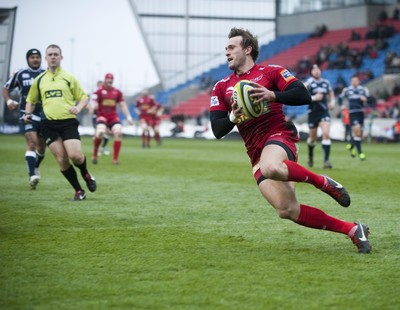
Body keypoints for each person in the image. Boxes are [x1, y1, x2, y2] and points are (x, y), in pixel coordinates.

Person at [209, 27, 371, 254]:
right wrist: (234, 116)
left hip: (278, 135)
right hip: (254, 151)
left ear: (247, 49)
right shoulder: (221, 86)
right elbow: (217, 129)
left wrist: (272, 94)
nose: (226, 52)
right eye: (226, 48)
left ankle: (322, 182)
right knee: (287, 210)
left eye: (232, 47)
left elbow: (303, 95)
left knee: (272, 166)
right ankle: (354, 230)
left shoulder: (271, 72)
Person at [24, 44, 96, 201]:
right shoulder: (39, 80)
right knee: (62, 160)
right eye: (50, 54)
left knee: (75, 156)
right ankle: (79, 191)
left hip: (68, 122)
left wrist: (78, 107)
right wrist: (28, 113)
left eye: (56, 54)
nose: (53, 57)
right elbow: (31, 100)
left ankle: (86, 173)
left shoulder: (69, 77)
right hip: (48, 124)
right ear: (46, 58)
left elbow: (83, 97)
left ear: (61, 57)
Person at [2, 48, 46, 189]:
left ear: (41, 59)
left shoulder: (47, 74)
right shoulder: (20, 73)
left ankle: (35, 166)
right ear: (28, 59)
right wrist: (9, 101)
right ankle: (32, 175)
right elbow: (5, 88)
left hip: (45, 115)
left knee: (42, 148)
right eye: (32, 57)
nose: (35, 59)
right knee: (31, 143)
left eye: (37, 57)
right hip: (26, 113)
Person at [91, 73, 133, 164]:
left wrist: (128, 117)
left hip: (113, 117)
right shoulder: (99, 91)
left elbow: (122, 105)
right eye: (108, 80)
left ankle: (115, 159)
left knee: (118, 133)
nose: (109, 82)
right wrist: (94, 105)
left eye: (111, 80)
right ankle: (94, 155)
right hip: (102, 116)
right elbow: (93, 102)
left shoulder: (117, 92)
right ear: (105, 80)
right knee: (100, 132)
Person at [305, 64, 336, 169]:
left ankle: (326, 161)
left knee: (326, 134)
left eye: (318, 69)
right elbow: (302, 95)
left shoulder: (326, 82)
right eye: (314, 70)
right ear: (311, 72)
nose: (316, 71)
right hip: (313, 113)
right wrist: (314, 97)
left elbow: (331, 93)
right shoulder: (308, 83)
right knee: (312, 139)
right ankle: (310, 155)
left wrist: (332, 102)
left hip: (324, 112)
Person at [339, 75, 369, 160]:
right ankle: (360, 153)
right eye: (353, 81)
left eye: (356, 80)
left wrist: (365, 99)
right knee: (357, 132)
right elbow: (339, 98)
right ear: (351, 82)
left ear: (359, 81)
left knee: (359, 134)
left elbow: (370, 100)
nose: (354, 82)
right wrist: (341, 105)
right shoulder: (347, 90)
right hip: (352, 113)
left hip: (361, 113)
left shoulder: (363, 90)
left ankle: (352, 146)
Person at [88, 80, 110, 156]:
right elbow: (91, 104)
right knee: (98, 133)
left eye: (102, 85)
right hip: (96, 115)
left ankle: (103, 147)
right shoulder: (94, 94)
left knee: (108, 132)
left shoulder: (107, 94)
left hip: (106, 116)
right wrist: (91, 109)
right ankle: (96, 150)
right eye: (99, 85)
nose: (101, 87)